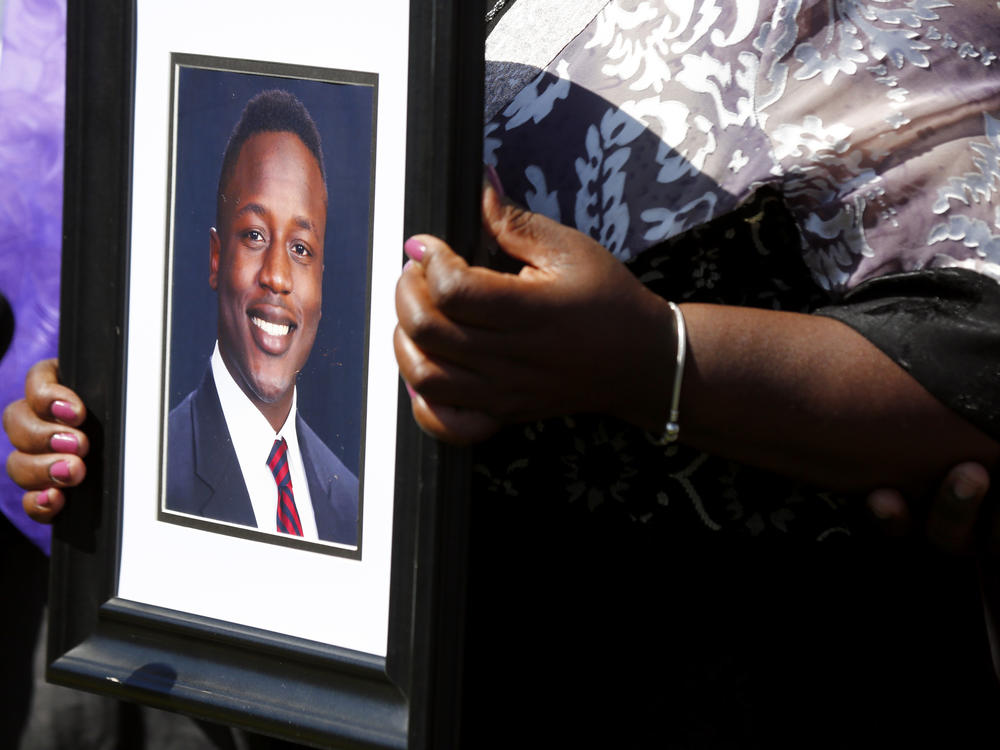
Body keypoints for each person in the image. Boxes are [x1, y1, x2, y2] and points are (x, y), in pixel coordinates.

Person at [5, 1, 1000, 746]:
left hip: (699, 670)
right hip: (312, 691)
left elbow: (968, 355)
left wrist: (651, 358)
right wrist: (133, 407)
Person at [160, 88, 358, 545]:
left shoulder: (352, 504)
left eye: (301, 249)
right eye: (253, 235)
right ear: (216, 259)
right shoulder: (149, 471)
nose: (277, 276)